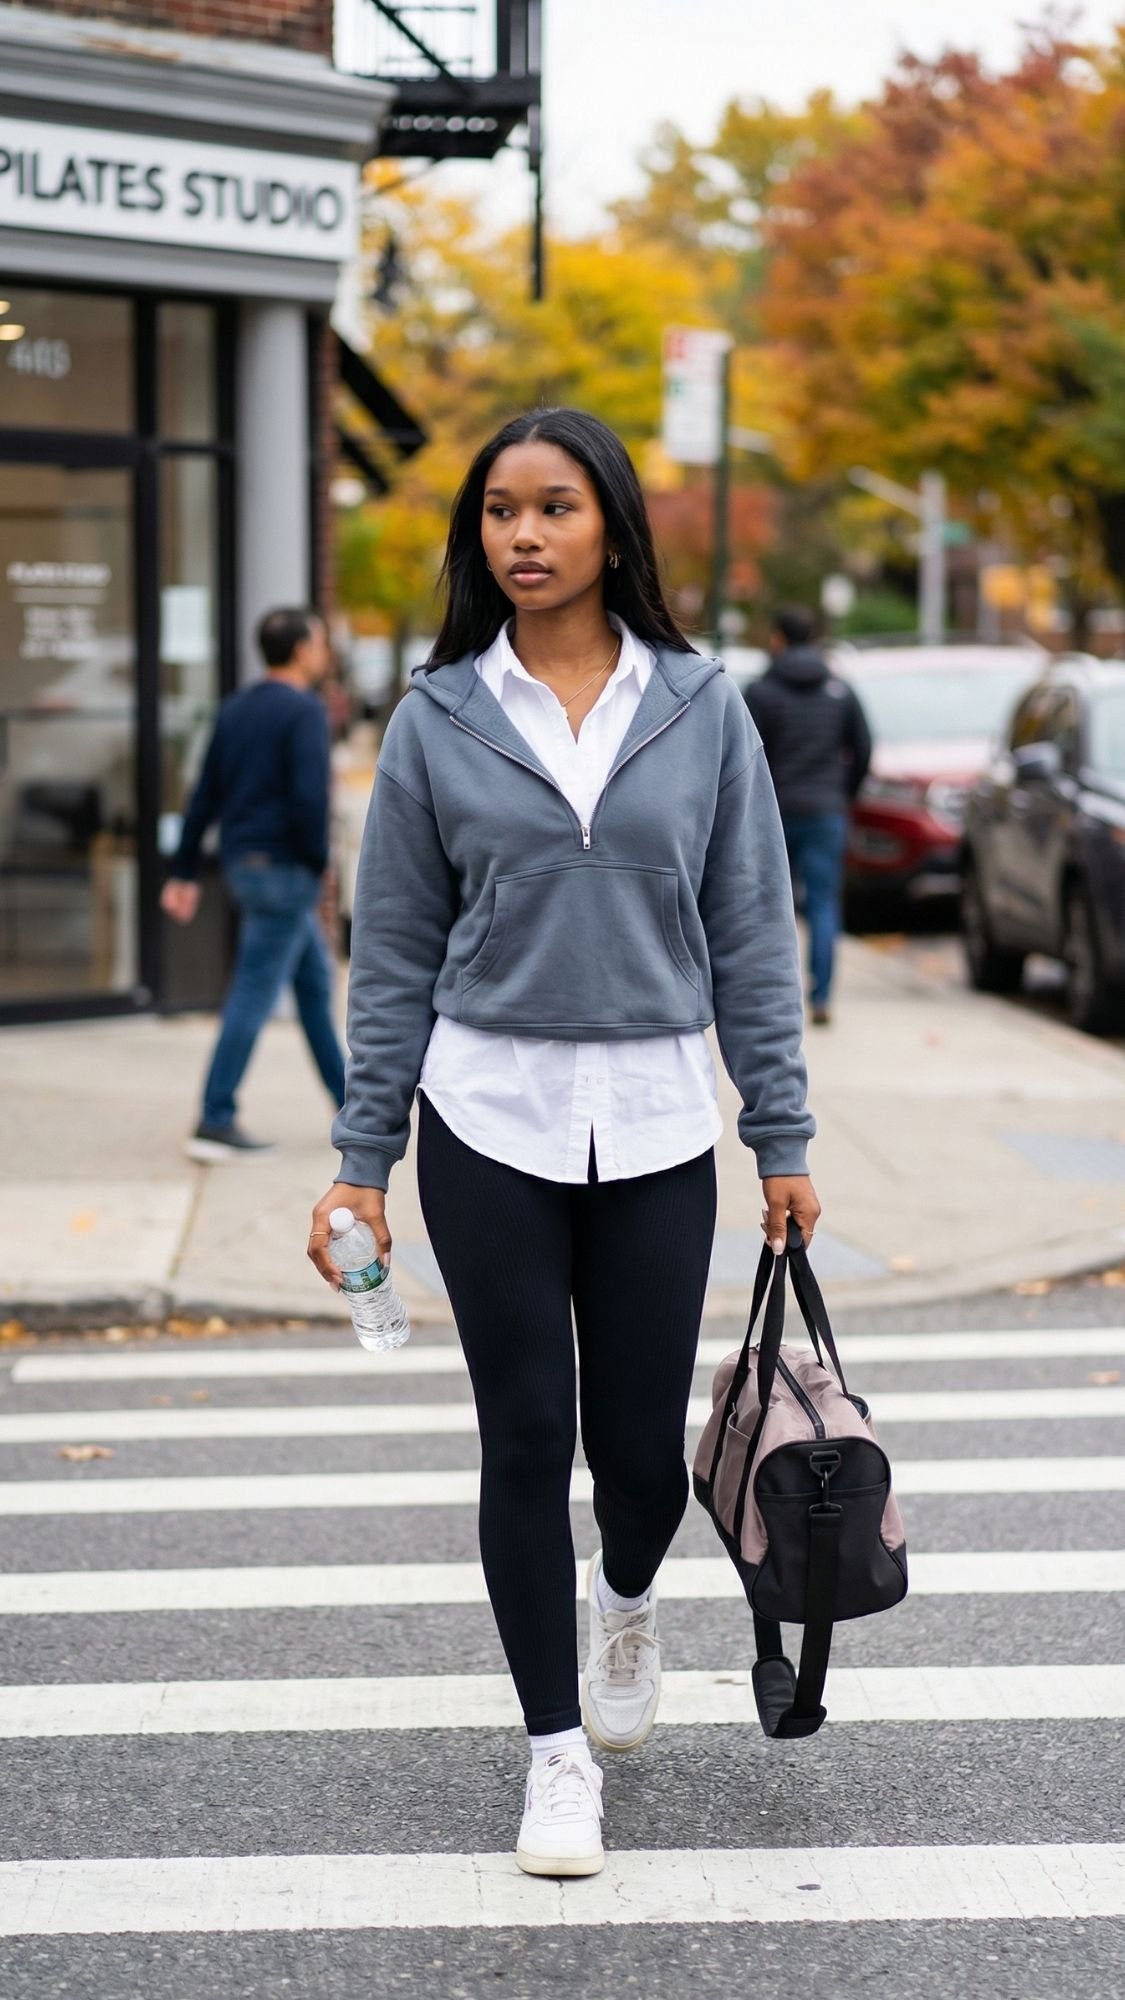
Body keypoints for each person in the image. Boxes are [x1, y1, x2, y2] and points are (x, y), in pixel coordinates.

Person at [308, 409, 820, 1878]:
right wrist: (361, 1159)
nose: (523, 535)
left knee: (639, 1458)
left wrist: (780, 1128)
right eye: (499, 511)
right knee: (527, 1434)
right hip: (488, 1116)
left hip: (656, 1116)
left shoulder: (700, 703)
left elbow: (752, 929)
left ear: (612, 527)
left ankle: (628, 1599)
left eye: (555, 507)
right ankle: (552, 1755)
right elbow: (393, 951)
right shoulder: (439, 714)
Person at [162, 606, 346, 1162]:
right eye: (320, 643)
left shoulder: (236, 707)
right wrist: (318, 863)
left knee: (313, 986)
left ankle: (354, 1109)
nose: (324, 653)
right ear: (302, 650)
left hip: (246, 865)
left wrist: (184, 870)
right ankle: (215, 1118)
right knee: (253, 992)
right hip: (286, 871)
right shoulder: (304, 710)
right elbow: (310, 799)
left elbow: (204, 794)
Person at [744, 606, 872, 1025]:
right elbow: (863, 749)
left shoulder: (761, 692)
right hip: (825, 812)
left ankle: (770, 998)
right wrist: (842, 794)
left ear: (778, 639)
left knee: (768, 905)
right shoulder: (839, 690)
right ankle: (821, 996)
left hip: (774, 813)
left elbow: (744, 754)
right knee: (822, 904)